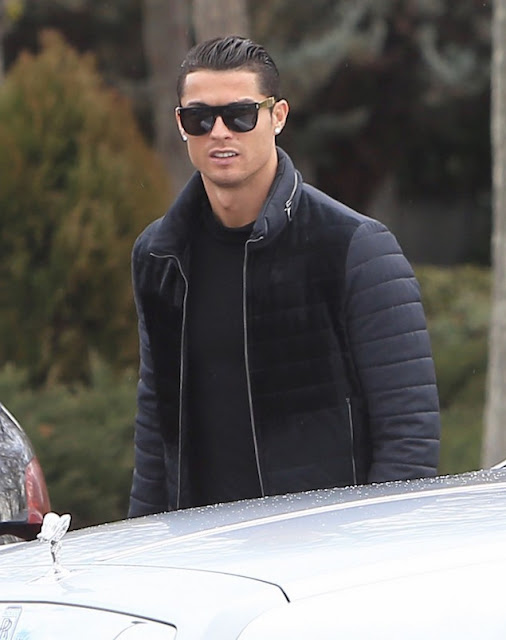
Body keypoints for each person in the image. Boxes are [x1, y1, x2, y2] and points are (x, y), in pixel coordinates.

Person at [128, 35, 440, 518]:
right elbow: (156, 431)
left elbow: (409, 438)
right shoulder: (159, 254)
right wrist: (145, 542)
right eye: (199, 118)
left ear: (278, 116)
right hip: (200, 552)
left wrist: (369, 546)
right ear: (180, 125)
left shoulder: (355, 247)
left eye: (240, 115)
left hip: (326, 551)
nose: (219, 132)